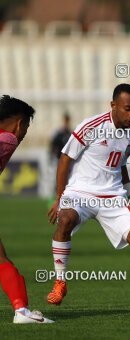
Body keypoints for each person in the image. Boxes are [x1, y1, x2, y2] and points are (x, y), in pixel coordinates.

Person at [46, 84, 130, 310]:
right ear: (113, 105)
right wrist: (60, 197)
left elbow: (121, 165)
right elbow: (65, 157)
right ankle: (60, 282)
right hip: (80, 192)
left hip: (113, 195)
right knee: (64, 221)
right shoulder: (91, 126)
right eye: (127, 108)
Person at [0, 95, 53, 323]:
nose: (24, 134)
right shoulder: (9, 139)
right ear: (20, 123)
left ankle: (22, 310)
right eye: (26, 127)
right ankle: (21, 311)